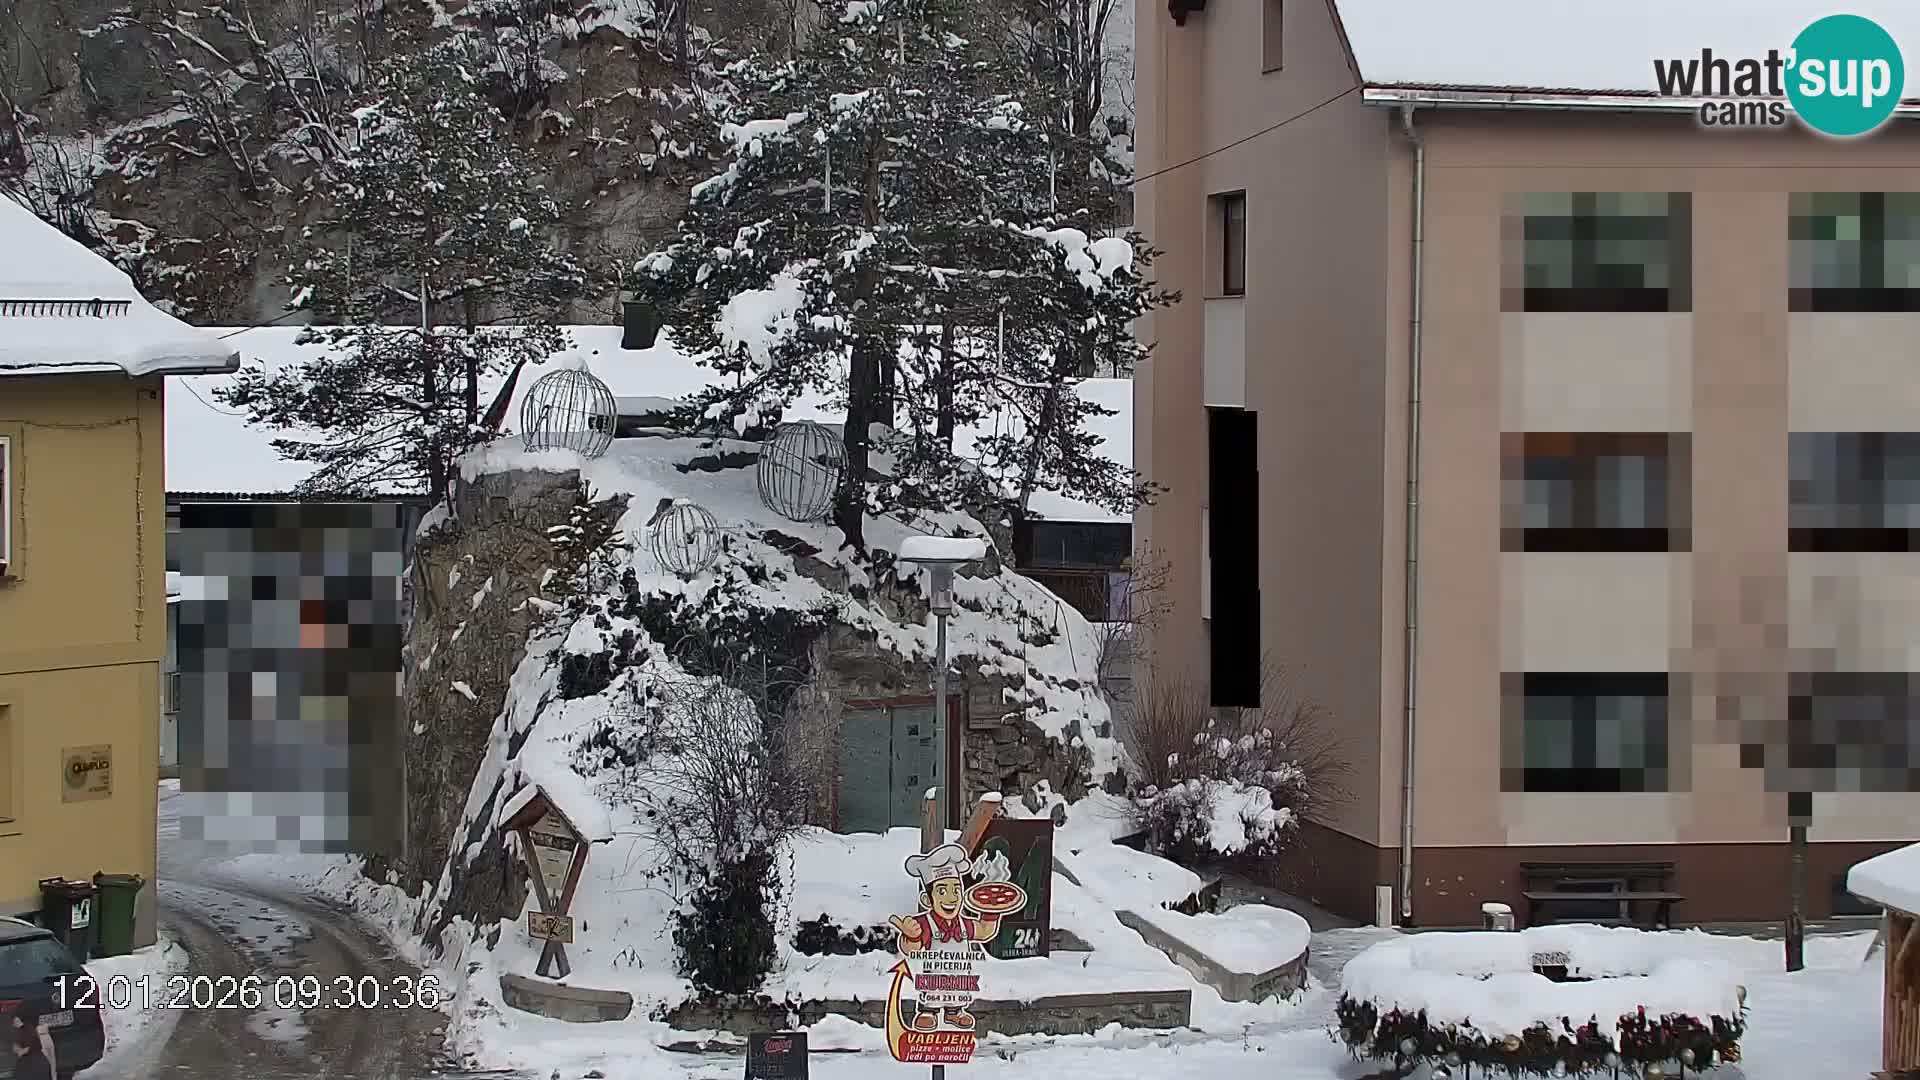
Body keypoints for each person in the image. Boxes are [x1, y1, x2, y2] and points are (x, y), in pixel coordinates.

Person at [887, 842, 1003, 1032]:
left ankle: (954, 1012)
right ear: (927, 900)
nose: (951, 898)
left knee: (957, 991)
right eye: (942, 891)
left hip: (958, 980)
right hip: (933, 980)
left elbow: (984, 931)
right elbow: (910, 949)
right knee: (932, 992)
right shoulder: (925, 923)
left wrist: (992, 911)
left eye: (956, 890)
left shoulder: (964, 924)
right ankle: (927, 1012)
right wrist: (912, 936)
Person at [10, 1003, 56, 1074]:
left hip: (39, 1039)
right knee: (51, 1064)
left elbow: (30, 1044)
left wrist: (23, 1050)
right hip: (41, 1037)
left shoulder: (26, 1029)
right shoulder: (24, 1029)